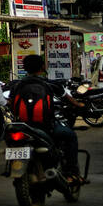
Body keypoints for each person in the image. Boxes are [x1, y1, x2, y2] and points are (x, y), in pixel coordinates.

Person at [9, 54, 85, 183]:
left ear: (25, 68)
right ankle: (71, 173)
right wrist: (81, 105)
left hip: (22, 127)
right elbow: (69, 99)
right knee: (70, 136)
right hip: (46, 127)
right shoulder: (50, 84)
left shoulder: (17, 85)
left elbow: (10, 103)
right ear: (42, 67)